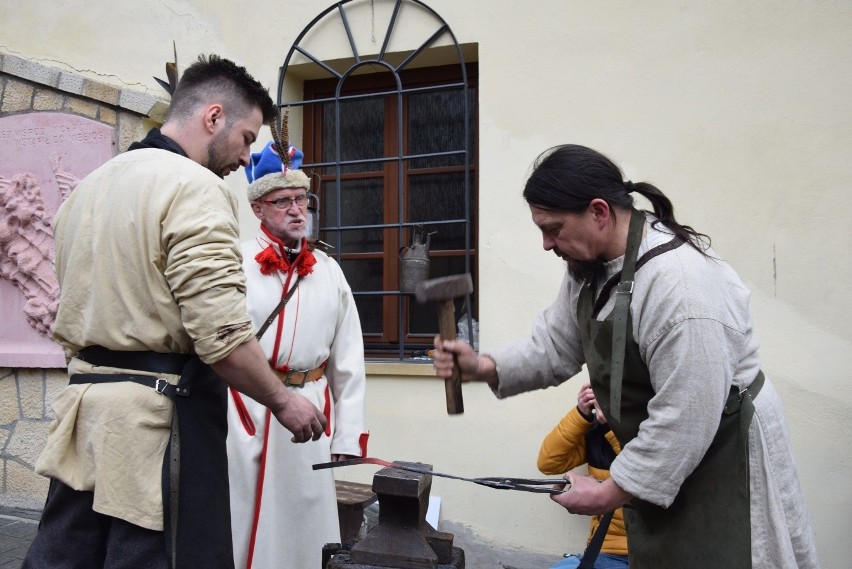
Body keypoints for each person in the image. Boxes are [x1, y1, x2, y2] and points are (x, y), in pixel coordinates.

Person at [432, 144, 819, 568]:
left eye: (554, 228)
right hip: (664, 460)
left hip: (722, 458)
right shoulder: (589, 268)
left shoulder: (680, 286)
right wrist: (482, 366)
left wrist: (606, 492)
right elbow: (555, 345)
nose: (546, 244)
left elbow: (687, 414)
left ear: (599, 212)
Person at [23, 54, 328, 569]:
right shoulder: (195, 187)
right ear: (213, 117)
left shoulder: (89, 189)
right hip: (158, 430)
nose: (244, 157)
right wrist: (283, 401)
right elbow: (223, 339)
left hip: (85, 418)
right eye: (248, 137)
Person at [226, 141, 368, 568]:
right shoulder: (233, 261)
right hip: (243, 413)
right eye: (282, 200)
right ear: (258, 208)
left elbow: (349, 357)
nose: (296, 209)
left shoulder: (329, 270)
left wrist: (348, 432)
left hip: (309, 416)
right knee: (241, 519)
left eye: (301, 198)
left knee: (305, 529)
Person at [539, 384, 627, 569]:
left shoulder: (659, 429)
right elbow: (548, 463)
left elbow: (647, 467)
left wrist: (613, 427)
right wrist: (581, 413)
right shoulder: (597, 434)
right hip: (601, 549)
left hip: (646, 552)